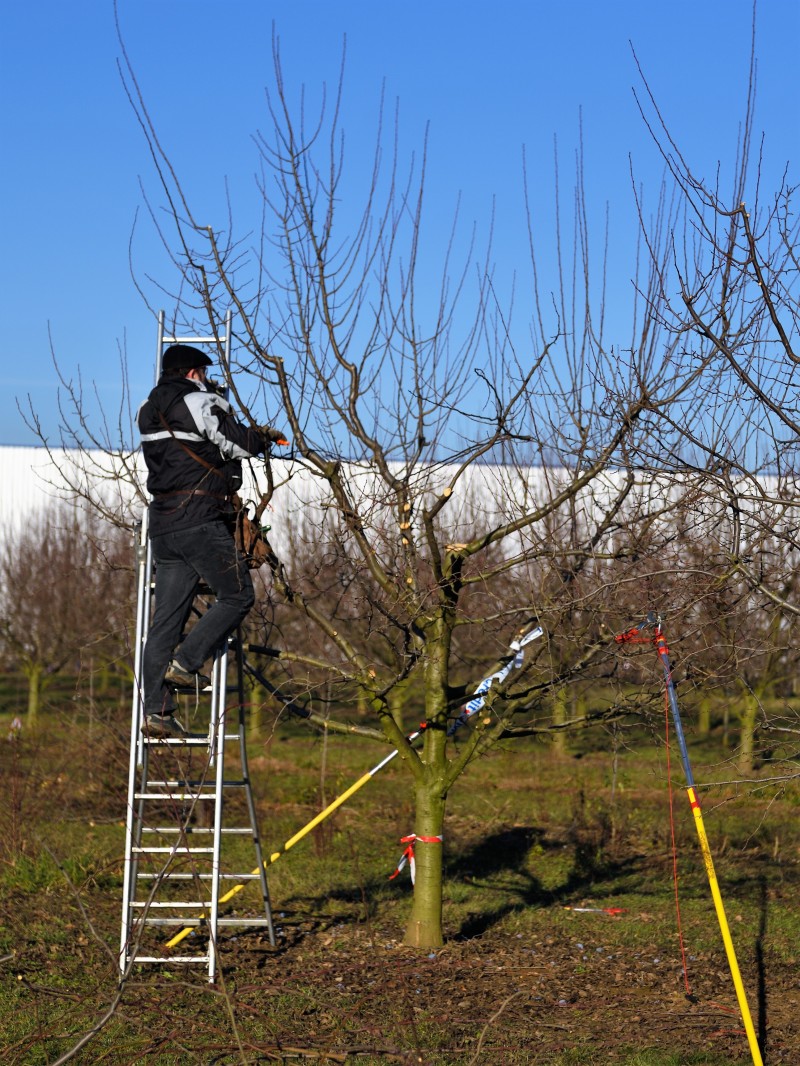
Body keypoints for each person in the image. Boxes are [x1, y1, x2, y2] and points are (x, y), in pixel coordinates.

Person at [137, 342, 286, 738]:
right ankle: (186, 665)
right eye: (202, 373)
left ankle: (156, 711)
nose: (206, 378)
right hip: (200, 519)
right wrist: (260, 435)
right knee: (238, 595)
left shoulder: (147, 409)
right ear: (192, 373)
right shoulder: (200, 402)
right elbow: (242, 444)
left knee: (164, 624)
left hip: (163, 525)